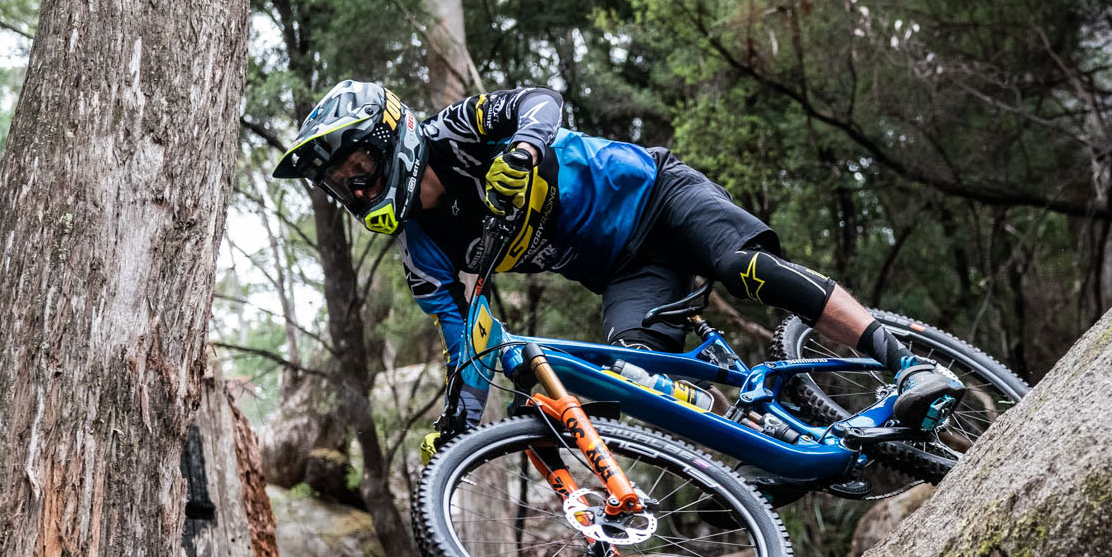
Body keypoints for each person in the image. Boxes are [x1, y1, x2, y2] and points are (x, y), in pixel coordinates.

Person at [274, 79, 962, 453]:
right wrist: (455, 434)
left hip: (658, 194)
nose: (357, 192)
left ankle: (904, 362)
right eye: (343, 185)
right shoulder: (425, 252)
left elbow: (539, 99)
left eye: (359, 169)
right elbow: (470, 348)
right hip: (628, 274)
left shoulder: (456, 131)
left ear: (389, 138)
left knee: (739, 266)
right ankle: (766, 437)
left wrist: (527, 146)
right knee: (631, 376)